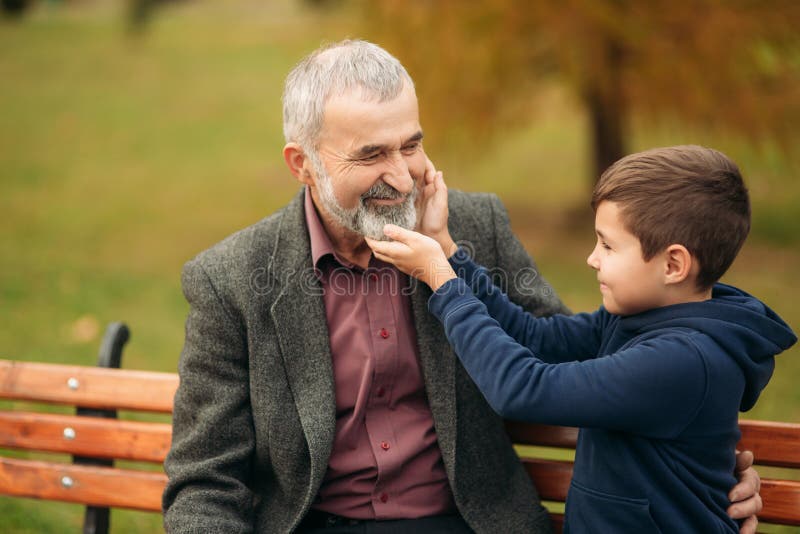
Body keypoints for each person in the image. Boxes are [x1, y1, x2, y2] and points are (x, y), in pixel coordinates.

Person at [162, 39, 763, 533]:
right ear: (303, 163)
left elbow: (574, 358)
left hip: (465, 522)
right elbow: (205, 479)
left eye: (412, 144)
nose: (400, 178)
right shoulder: (232, 279)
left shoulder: (472, 228)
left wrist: (710, 470)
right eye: (371, 154)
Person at [367, 145, 795, 532]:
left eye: (608, 247)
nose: (591, 259)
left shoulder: (682, 361)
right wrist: (447, 250)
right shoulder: (640, 318)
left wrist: (443, 284)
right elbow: (535, 337)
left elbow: (521, 389)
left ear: (673, 265)